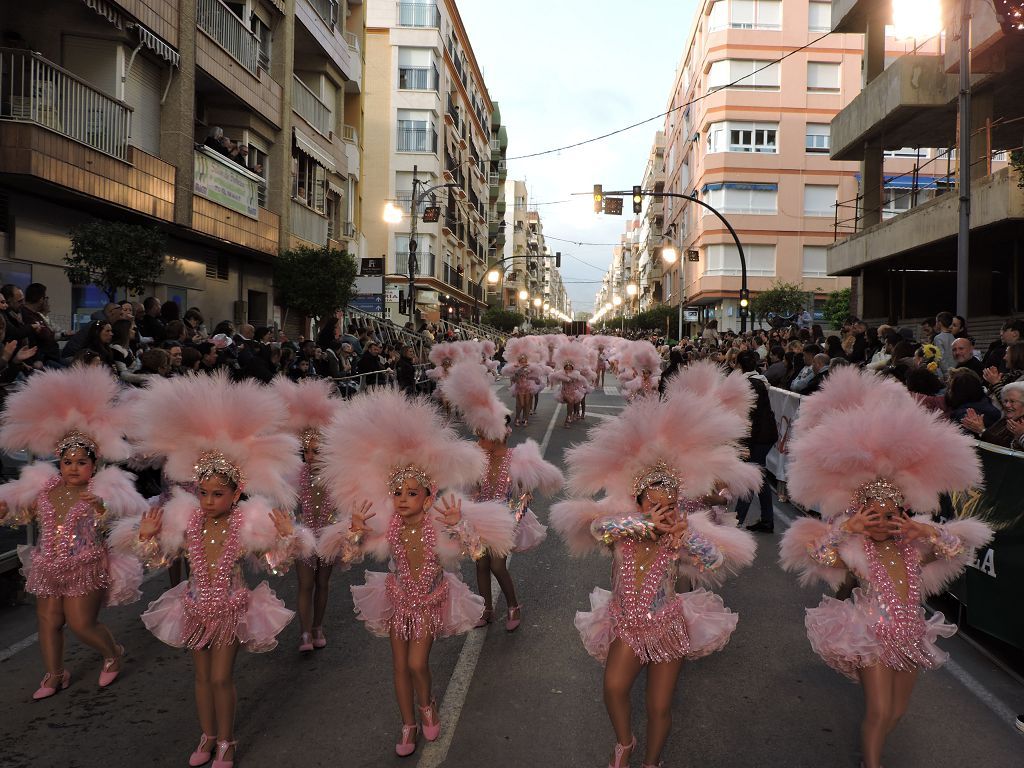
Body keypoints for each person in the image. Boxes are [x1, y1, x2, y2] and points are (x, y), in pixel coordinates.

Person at [779, 366, 992, 768]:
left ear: (902, 514)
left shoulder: (913, 547)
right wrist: (848, 530)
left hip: (911, 633)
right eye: (870, 515)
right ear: (861, 516)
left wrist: (924, 532)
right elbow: (822, 556)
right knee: (878, 711)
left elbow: (953, 550)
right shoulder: (857, 550)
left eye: (888, 515)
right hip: (870, 633)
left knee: (895, 712)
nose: (880, 521)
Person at [551, 365, 760, 768]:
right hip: (627, 624)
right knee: (613, 688)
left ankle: (652, 762)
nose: (662, 507)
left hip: (666, 625)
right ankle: (624, 743)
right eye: (652, 501)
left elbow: (715, 562)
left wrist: (687, 536)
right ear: (640, 502)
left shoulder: (681, 530)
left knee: (660, 707)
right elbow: (598, 527)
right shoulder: (623, 528)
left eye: (668, 501)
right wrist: (645, 523)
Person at [315, 389, 514, 757]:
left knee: (417, 663)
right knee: (399, 666)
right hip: (396, 599)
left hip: (428, 601)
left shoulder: (436, 524)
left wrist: (460, 526)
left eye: (411, 492)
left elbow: (475, 552)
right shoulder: (389, 524)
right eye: (398, 492)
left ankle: (427, 704)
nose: (403, 498)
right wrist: (355, 529)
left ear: (428, 495)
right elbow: (347, 555)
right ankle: (407, 724)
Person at [131, 372, 311, 768]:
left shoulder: (245, 524)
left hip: (230, 608)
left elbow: (274, 565)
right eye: (205, 492)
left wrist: (285, 538)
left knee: (220, 678)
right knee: (200, 679)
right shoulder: (187, 520)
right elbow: (160, 561)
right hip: (193, 607)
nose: (209, 500)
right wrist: (147, 538)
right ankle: (207, 735)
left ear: (235, 493)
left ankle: (226, 740)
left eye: (218, 494)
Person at [0, 365, 147, 699]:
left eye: (82, 462)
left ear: (93, 465)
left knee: (81, 625)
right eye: (68, 461)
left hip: (85, 564)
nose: (74, 467)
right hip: (46, 565)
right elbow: (21, 514)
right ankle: (54, 673)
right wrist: (8, 511)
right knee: (49, 622)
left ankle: (112, 652)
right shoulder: (43, 487)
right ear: (60, 463)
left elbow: (123, 514)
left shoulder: (106, 489)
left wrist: (100, 507)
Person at [439, 363, 563, 631]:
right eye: (478, 435)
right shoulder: (477, 459)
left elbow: (525, 496)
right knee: (480, 565)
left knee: (497, 564)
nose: (478, 440)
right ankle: (486, 610)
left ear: (498, 435)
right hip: (478, 520)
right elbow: (469, 491)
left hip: (507, 520)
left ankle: (512, 605)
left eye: (483, 436)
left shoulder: (517, 459)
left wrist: (509, 522)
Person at [273, 378, 341, 653]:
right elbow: (286, 505)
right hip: (303, 537)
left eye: (316, 450)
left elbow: (342, 506)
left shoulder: (334, 477)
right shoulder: (294, 475)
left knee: (322, 582)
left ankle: (317, 626)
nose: (310, 456)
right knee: (305, 583)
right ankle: (304, 633)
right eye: (306, 451)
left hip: (326, 536)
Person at [733, 351, 779, 533]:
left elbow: (750, 416)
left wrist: (744, 442)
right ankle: (766, 520)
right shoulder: (758, 382)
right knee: (758, 477)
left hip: (758, 437)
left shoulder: (750, 385)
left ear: (739, 365)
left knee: (751, 476)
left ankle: (737, 520)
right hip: (763, 435)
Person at [961, 381, 1024, 449]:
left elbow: (1004, 450)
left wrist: (982, 431)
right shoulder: (1007, 420)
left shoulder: (1020, 425)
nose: (1007, 405)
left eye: (1012, 401)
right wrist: (979, 429)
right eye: (1005, 401)